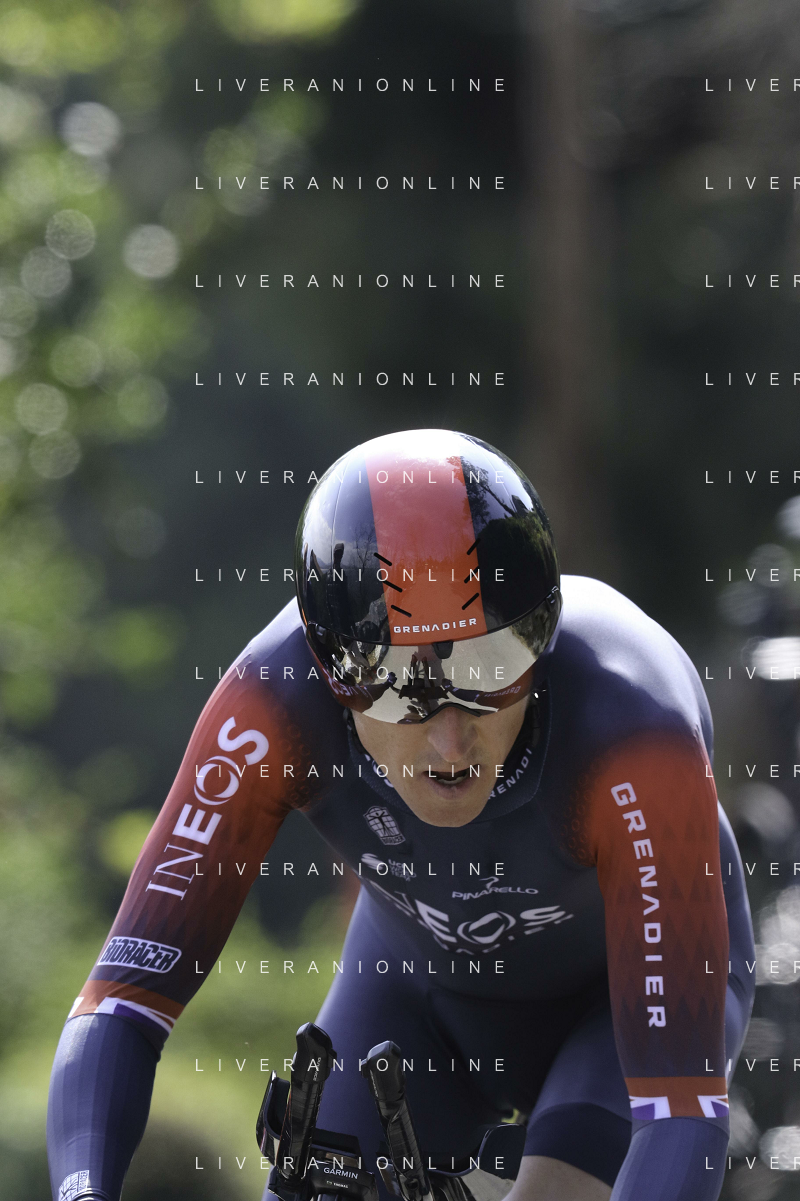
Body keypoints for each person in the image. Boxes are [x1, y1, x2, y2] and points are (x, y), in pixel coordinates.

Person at [47, 429, 755, 1201]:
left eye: (488, 668)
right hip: (409, 995)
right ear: (328, 667)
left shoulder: (635, 728)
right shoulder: (274, 702)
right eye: (396, 684)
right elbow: (122, 1002)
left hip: (614, 1010)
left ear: (540, 640)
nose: (450, 739)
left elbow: (679, 1116)